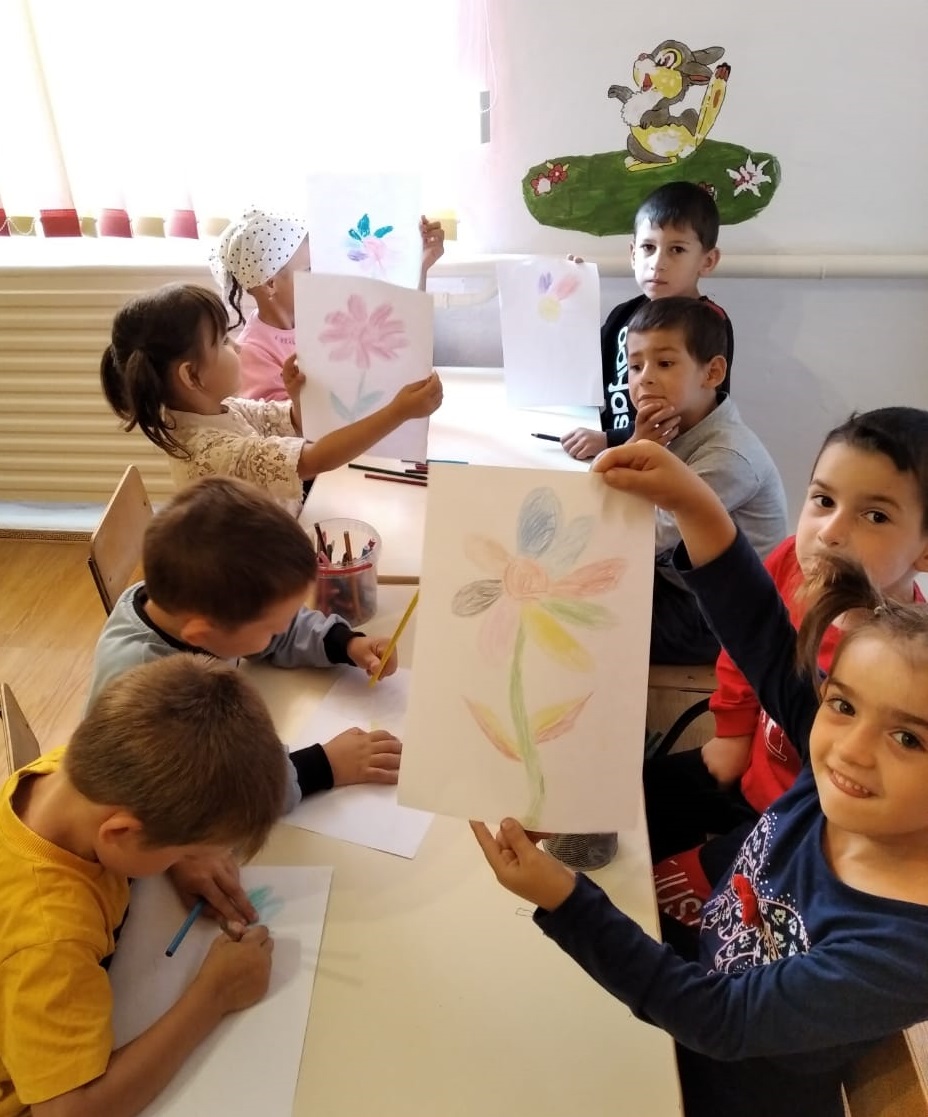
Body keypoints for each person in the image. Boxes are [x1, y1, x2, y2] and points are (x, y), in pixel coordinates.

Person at [473, 440, 928, 1117]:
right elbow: (762, 634)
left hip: (728, 1085)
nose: (849, 750)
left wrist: (565, 899)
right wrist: (693, 504)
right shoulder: (839, 775)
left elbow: (720, 1019)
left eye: (909, 737)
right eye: (842, 704)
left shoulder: (904, 945)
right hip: (689, 970)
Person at [645, 406, 928, 922]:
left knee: (663, 900)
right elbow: (746, 640)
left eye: (875, 516)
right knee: (636, 798)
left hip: (806, 825)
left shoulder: (905, 668)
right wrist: (732, 731)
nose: (830, 532)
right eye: (823, 500)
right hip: (753, 776)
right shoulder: (795, 564)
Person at [0, 654, 288, 1117]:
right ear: (121, 832)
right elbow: (68, 1112)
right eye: (182, 851)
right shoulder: (48, 935)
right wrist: (213, 996)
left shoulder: (71, 774)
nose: (188, 860)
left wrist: (178, 859)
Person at [87, 476, 402, 824]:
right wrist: (323, 766)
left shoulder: (191, 603)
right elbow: (215, 795)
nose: (283, 628)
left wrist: (345, 643)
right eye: (271, 628)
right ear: (202, 634)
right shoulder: (148, 698)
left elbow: (280, 623)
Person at [100, 284, 442, 516]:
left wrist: (297, 399)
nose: (237, 345)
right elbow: (314, 459)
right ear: (191, 376)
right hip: (257, 574)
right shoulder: (207, 451)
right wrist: (398, 412)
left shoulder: (224, 409)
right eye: (222, 341)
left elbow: (292, 424)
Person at [604, 295, 785, 664]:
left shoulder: (730, 457)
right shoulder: (670, 427)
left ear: (712, 373)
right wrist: (637, 442)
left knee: (592, 625)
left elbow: (646, 536)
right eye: (635, 366)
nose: (645, 377)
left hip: (717, 615)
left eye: (665, 363)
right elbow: (610, 493)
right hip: (675, 581)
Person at [562, 180, 733, 462]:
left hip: (662, 462)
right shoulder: (624, 314)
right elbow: (584, 372)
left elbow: (698, 414)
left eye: (676, 250)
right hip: (609, 452)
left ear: (707, 261)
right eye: (648, 247)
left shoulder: (710, 321)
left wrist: (610, 440)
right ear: (633, 255)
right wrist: (572, 304)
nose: (658, 263)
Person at [209, 209, 445, 402]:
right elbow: (289, 428)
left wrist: (420, 265)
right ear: (270, 284)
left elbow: (399, 330)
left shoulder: (322, 314)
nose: (320, 275)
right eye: (309, 269)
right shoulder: (253, 353)